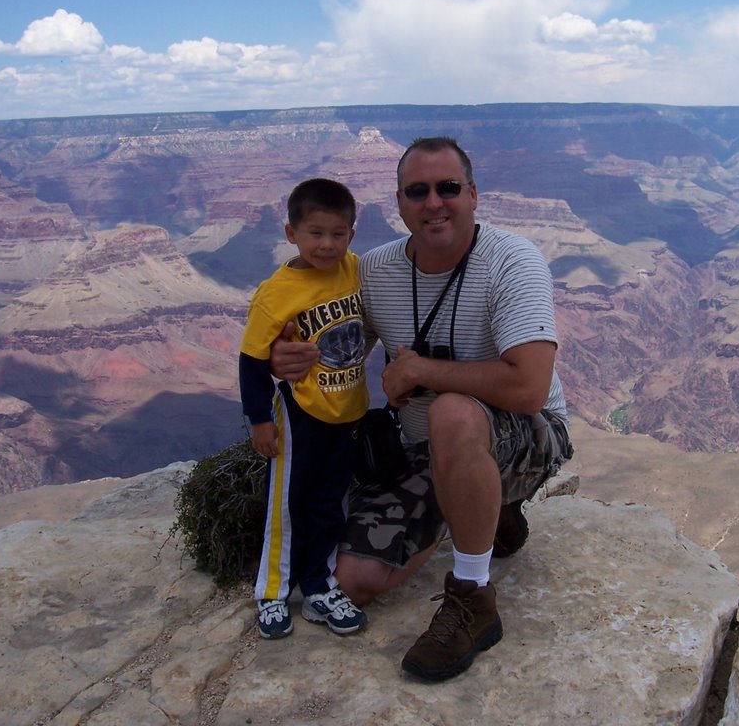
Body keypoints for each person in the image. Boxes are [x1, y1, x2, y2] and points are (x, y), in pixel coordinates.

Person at [271, 137, 573, 680]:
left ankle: (472, 598)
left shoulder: (512, 261)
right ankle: (483, 509)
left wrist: (419, 371)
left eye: (448, 188)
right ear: (400, 203)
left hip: (527, 437)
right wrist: (288, 355)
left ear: (473, 195)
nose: (434, 202)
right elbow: (338, 352)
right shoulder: (375, 271)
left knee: (453, 412)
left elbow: (529, 388)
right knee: (353, 579)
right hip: (420, 448)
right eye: (418, 191)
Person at [239, 177, 370, 640]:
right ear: (291, 232)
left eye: (338, 234)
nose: (327, 244)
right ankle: (273, 592)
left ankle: (318, 584)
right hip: (299, 415)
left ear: (352, 235)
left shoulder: (354, 268)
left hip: (347, 412)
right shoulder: (276, 292)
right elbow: (252, 360)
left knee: (331, 502)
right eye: (315, 233)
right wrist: (259, 420)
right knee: (289, 506)